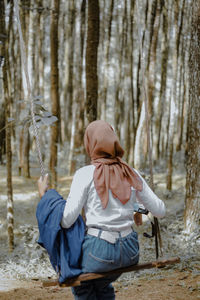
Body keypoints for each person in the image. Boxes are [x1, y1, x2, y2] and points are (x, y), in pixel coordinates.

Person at [38, 120, 166, 300]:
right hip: (130, 251)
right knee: (102, 283)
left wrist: (47, 197)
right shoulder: (131, 173)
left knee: (80, 281)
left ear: (90, 143)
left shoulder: (85, 174)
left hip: (100, 252)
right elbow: (160, 210)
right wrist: (139, 208)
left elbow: (67, 220)